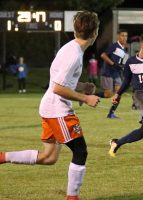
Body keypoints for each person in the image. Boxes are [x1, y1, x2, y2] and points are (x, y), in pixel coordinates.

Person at [0, 11, 100, 200]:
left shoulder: (69, 48)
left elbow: (59, 79)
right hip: (58, 110)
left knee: (49, 158)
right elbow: (57, 88)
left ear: (75, 30)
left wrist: (82, 86)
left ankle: (2, 157)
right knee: (80, 151)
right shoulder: (73, 55)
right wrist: (86, 98)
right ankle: (72, 198)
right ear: (95, 32)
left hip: (50, 107)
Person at [97, 29, 128, 119]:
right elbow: (103, 55)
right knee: (108, 94)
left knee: (119, 93)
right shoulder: (114, 46)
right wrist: (113, 64)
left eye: (126, 36)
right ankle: (87, 96)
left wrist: (123, 66)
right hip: (108, 72)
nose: (124, 38)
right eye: (122, 35)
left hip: (116, 73)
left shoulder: (124, 49)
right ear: (118, 36)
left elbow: (123, 62)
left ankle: (111, 113)